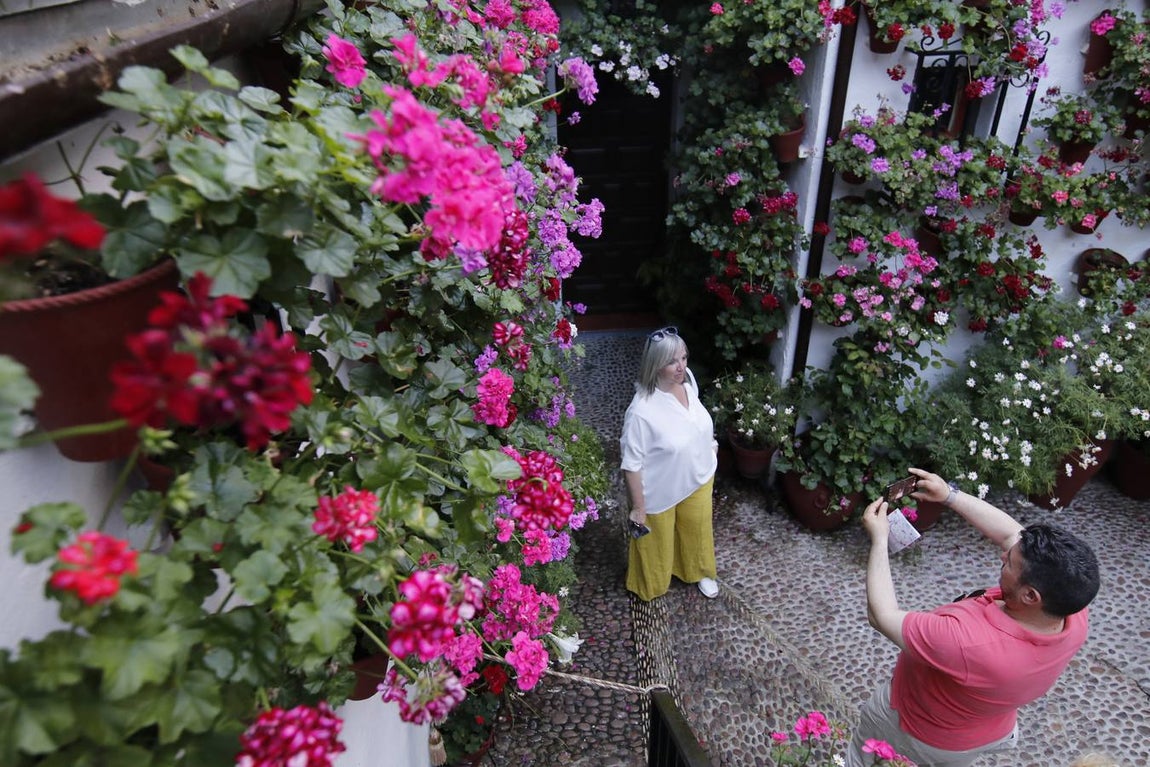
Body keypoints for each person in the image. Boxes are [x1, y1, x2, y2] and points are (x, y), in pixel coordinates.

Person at [848, 467, 1100, 767]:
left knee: (861, 757)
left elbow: (882, 615)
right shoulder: (1072, 609)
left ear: (1031, 596)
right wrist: (949, 495)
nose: (1002, 555)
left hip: (922, 732)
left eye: (1010, 563)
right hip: (984, 729)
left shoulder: (970, 643)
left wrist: (879, 540)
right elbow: (1010, 534)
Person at [619, 326, 719, 601]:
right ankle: (651, 585)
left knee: (697, 530)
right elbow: (631, 464)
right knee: (655, 543)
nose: (681, 366)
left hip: (698, 476)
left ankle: (699, 571)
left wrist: (709, 445)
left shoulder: (687, 380)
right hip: (660, 490)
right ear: (655, 365)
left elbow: (694, 421)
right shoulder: (641, 411)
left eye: (684, 358)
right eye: (672, 361)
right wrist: (639, 508)